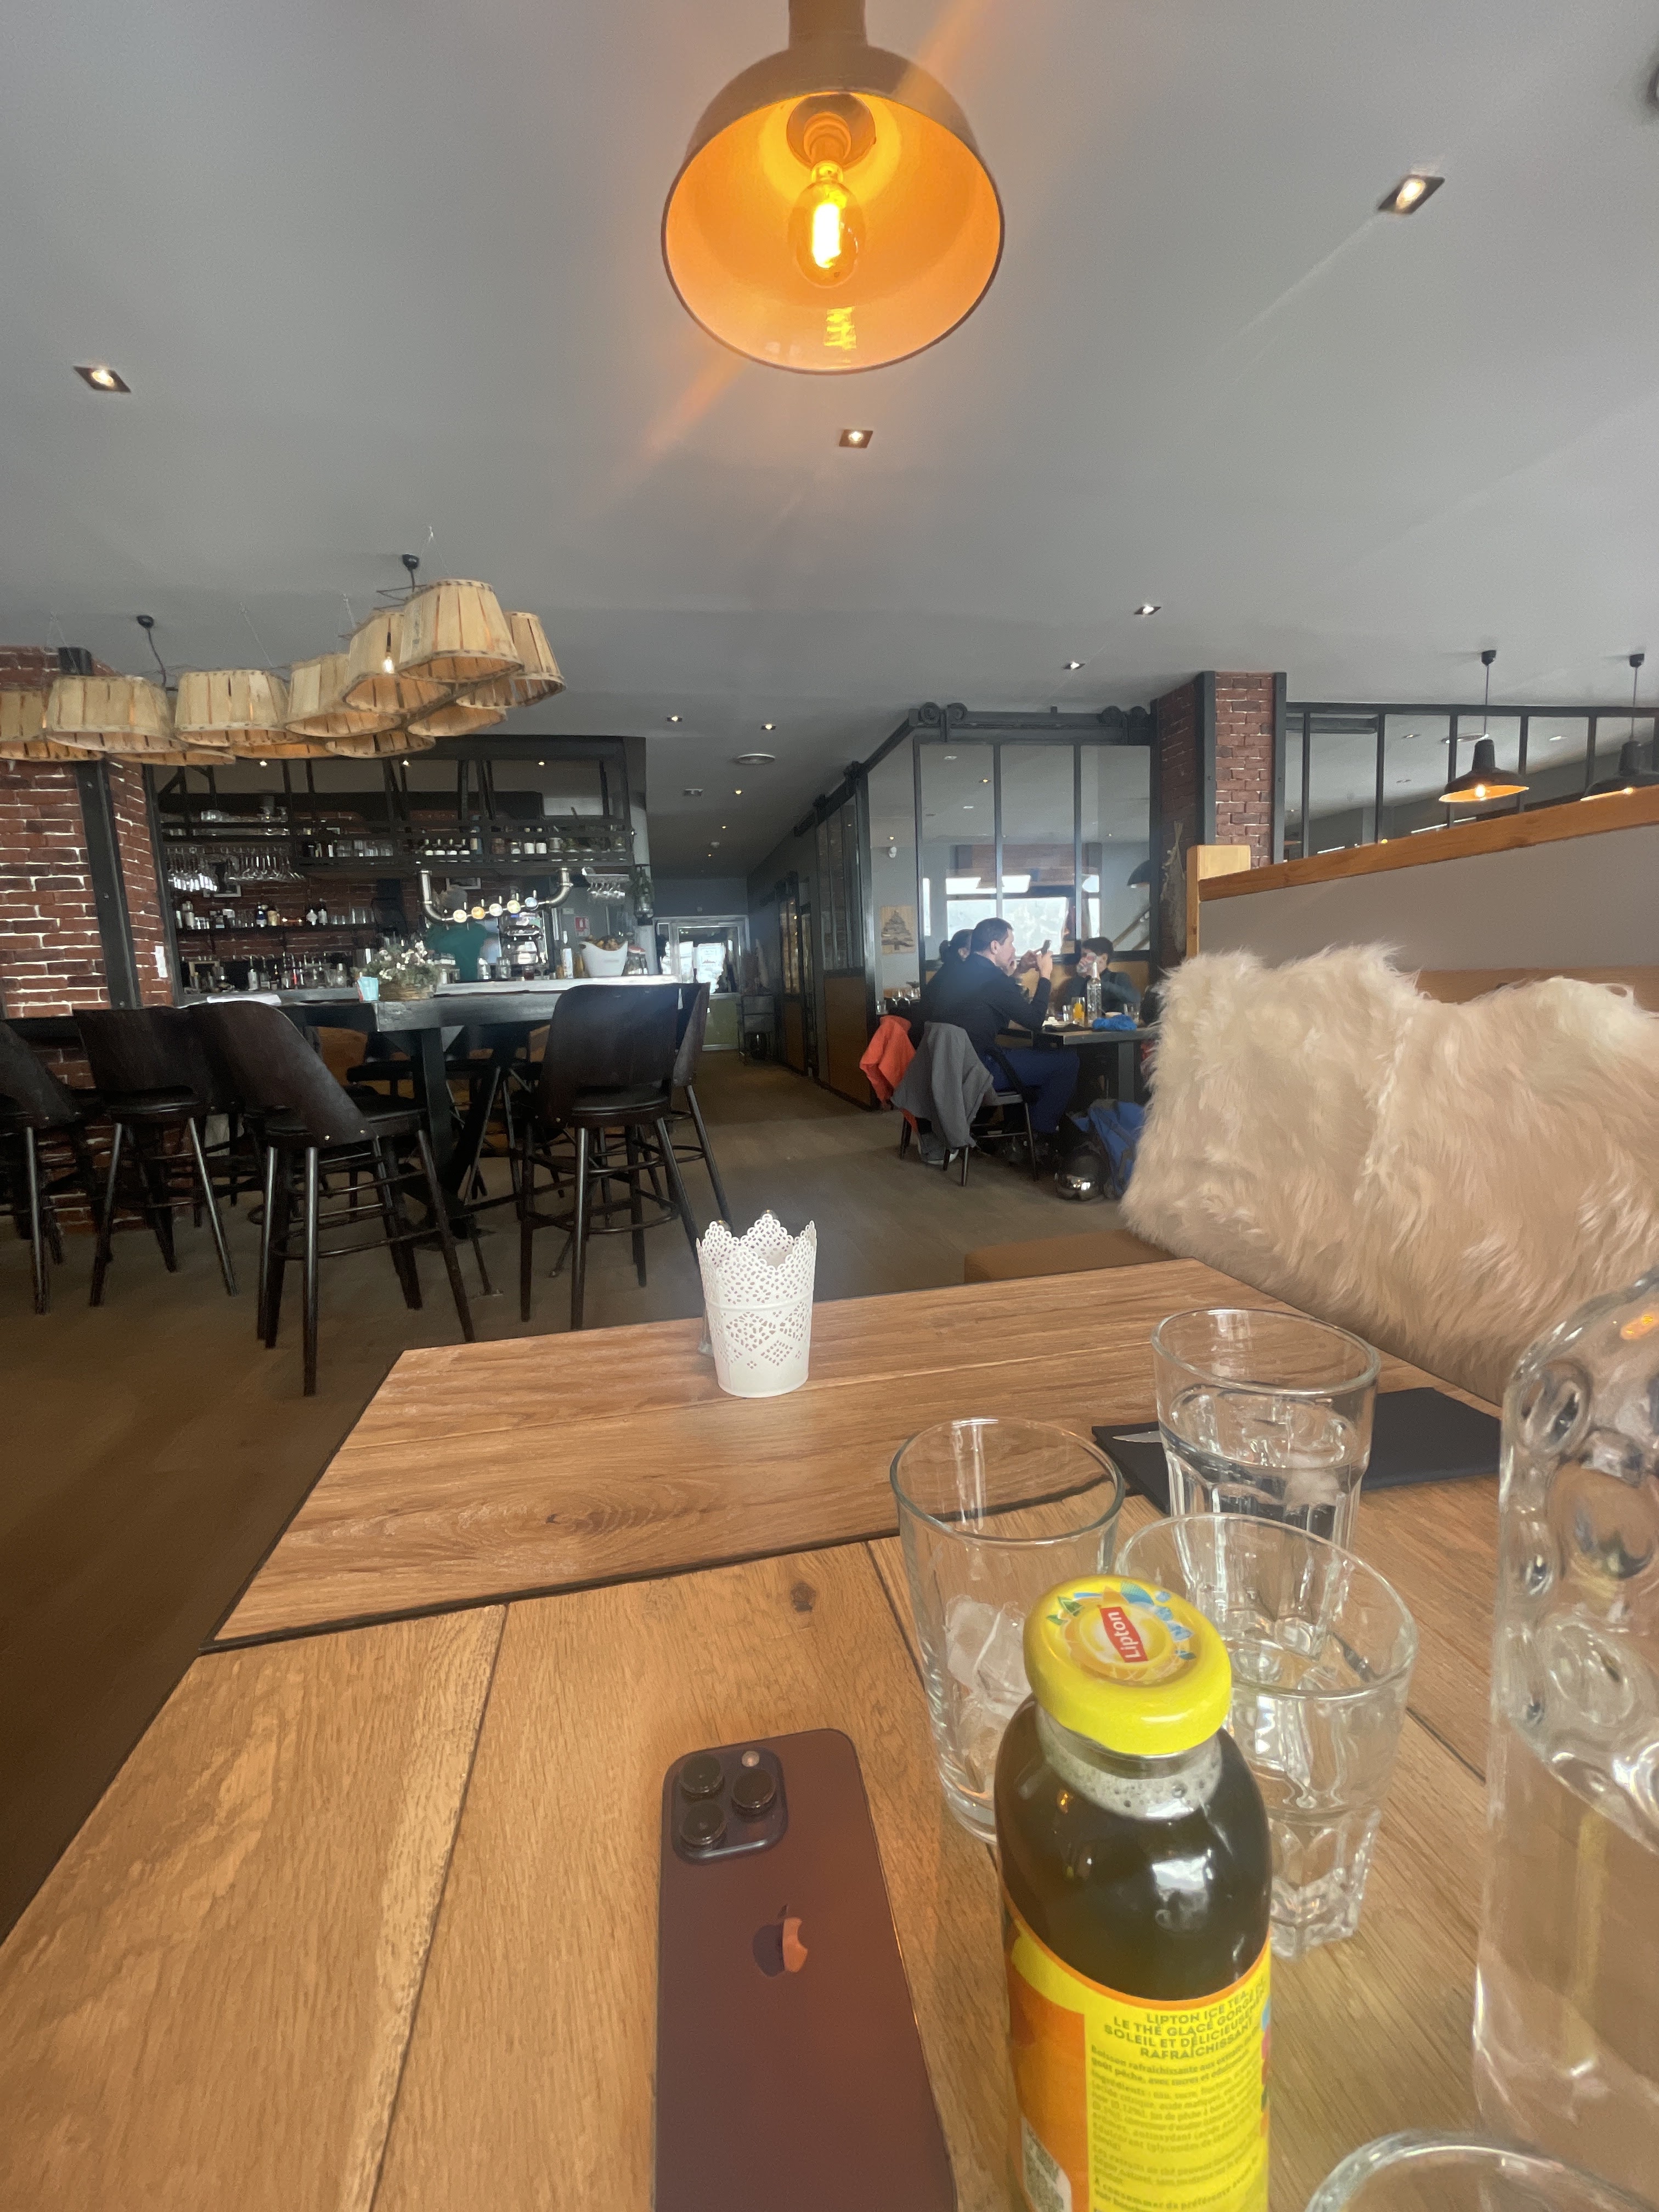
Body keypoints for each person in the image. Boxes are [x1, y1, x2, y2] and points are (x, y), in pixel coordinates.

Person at [915, 916, 1079, 1145]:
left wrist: (1018, 971)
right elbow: (1034, 1020)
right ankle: (1038, 1137)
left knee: (1027, 1056)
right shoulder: (995, 981)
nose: (1014, 950)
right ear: (994, 946)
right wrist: (1045, 975)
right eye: (1011, 943)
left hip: (949, 1069)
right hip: (980, 1070)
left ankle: (1020, 1132)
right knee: (1066, 1061)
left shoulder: (957, 972)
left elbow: (985, 999)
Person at [1049, 938, 1141, 1020]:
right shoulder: (1078, 981)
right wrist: (1081, 977)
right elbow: (1069, 1007)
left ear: (1104, 958)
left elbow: (1134, 999)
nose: (1083, 960)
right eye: (1082, 956)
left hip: (1114, 1029)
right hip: (1085, 1029)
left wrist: (1099, 982)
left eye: (1087, 956)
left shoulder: (1118, 977)